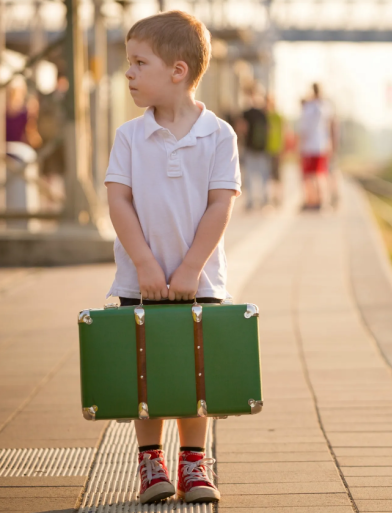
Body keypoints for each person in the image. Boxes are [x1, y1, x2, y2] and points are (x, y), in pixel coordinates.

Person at [104, 11, 241, 505]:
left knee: (194, 370)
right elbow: (118, 199)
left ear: (177, 71)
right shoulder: (129, 136)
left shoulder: (219, 135)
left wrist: (190, 267)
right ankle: (150, 462)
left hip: (198, 279)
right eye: (130, 62)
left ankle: (193, 461)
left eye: (140, 63)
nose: (129, 73)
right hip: (140, 280)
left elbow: (220, 204)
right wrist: (143, 262)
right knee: (145, 370)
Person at [299, 83, 334, 209]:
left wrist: (301, 143)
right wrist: (330, 143)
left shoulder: (308, 107)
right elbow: (330, 126)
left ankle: (311, 200)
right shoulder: (326, 106)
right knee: (321, 174)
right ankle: (322, 201)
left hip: (309, 146)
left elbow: (304, 128)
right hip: (322, 145)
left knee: (309, 175)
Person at [241, 85, 269, 210]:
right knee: (263, 175)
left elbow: (242, 128)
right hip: (262, 148)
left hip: (250, 147)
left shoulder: (246, 112)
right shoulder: (263, 112)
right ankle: (264, 200)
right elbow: (268, 130)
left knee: (250, 175)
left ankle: (251, 201)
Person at [265, 94, 285, 206]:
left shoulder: (278, 116)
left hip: (276, 149)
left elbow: (282, 133)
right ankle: (272, 198)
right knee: (269, 176)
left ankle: (279, 197)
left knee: (277, 176)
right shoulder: (266, 116)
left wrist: (282, 149)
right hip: (267, 149)